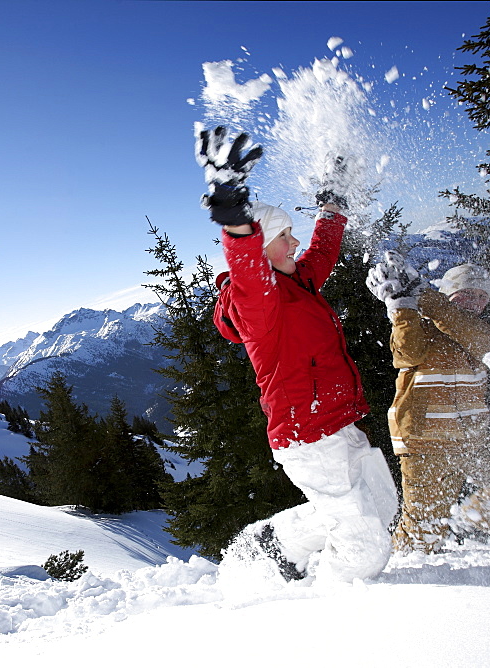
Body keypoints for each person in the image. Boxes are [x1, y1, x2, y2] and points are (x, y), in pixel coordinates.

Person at [197, 126, 398, 583]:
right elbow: (246, 272)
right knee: (364, 547)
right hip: (308, 435)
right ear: (259, 249)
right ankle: (323, 607)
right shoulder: (259, 305)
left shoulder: (295, 282)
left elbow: (322, 252)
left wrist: (332, 206)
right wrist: (236, 218)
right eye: (284, 236)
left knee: (381, 506)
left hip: (337, 424)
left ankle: (276, 542)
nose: (294, 243)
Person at [367, 255, 490, 553]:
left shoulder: (478, 332)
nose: (475, 301)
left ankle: (470, 526)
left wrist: (423, 295)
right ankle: (404, 571)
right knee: (422, 529)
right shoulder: (421, 325)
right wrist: (400, 305)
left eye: (482, 296)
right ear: (450, 294)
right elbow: (406, 354)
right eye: (467, 293)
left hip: (471, 442)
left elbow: (472, 335)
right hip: (426, 441)